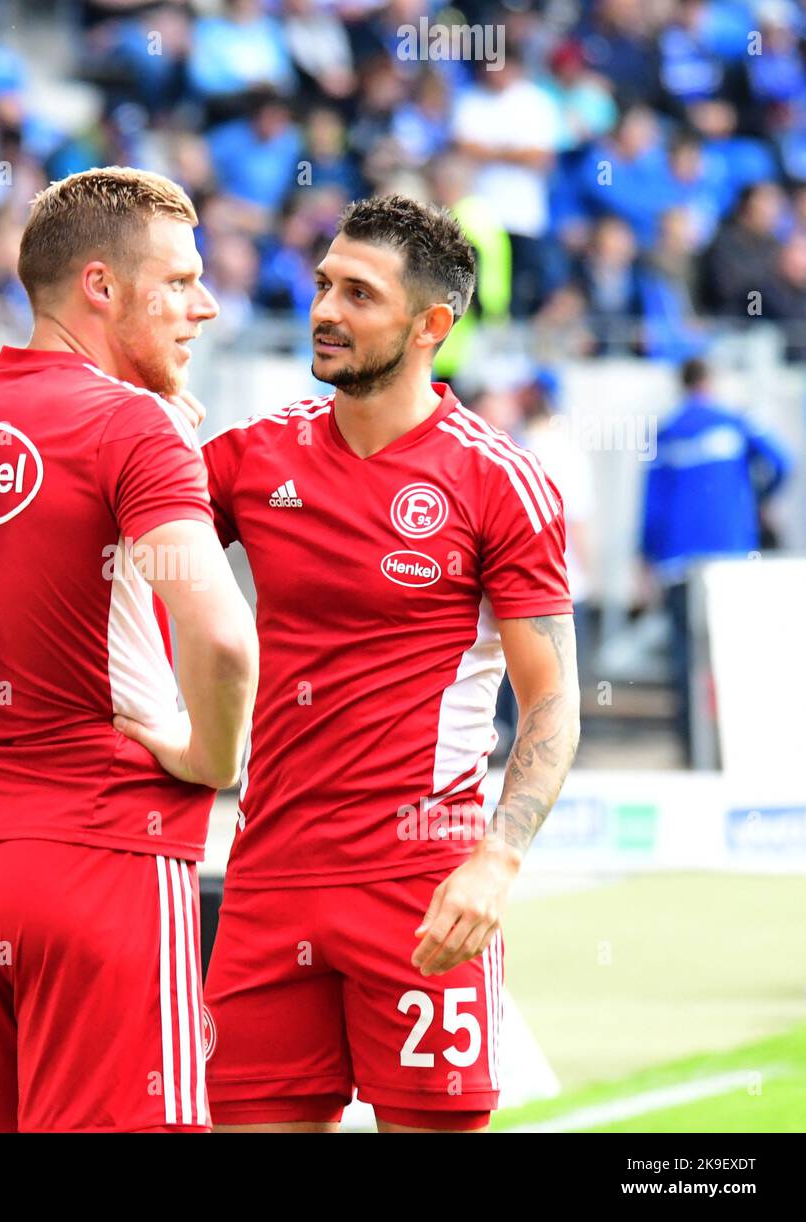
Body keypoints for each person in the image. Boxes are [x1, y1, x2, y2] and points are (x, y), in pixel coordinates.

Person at [154, 195, 581, 1132]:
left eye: (358, 293)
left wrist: (496, 861)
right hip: (266, 876)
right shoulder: (254, 459)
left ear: (431, 326)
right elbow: (120, 548)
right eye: (322, 285)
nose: (325, 310)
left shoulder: (494, 479)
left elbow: (552, 705)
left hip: (421, 886)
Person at [0, 167, 258, 1132]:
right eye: (178, 282)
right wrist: (209, 759)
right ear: (102, 287)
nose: (205, 306)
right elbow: (223, 637)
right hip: (104, 855)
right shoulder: (132, 428)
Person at [641, 356, 792, 764]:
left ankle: (693, 752)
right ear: (711, 381)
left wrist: (648, 559)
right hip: (733, 561)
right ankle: (738, 752)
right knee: (738, 657)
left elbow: (651, 508)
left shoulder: (664, 432)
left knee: (686, 661)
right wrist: (756, 501)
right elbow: (783, 462)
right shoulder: (736, 421)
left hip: (679, 565)